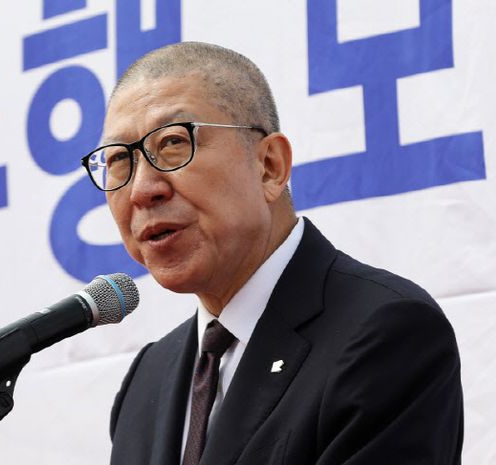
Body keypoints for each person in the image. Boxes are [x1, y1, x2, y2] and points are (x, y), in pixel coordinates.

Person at [82, 42, 463, 465]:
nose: (141, 190)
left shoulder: (384, 333)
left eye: (173, 142)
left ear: (270, 166)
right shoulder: (148, 379)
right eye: (119, 161)